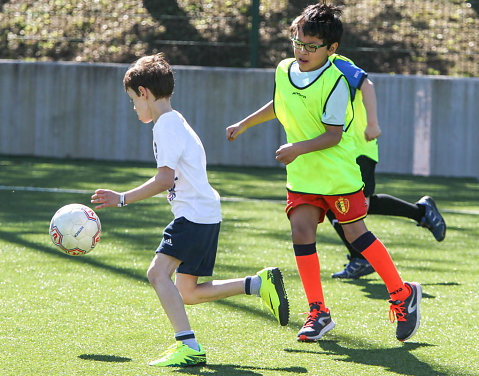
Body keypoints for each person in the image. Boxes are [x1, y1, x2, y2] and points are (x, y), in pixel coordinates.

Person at [226, 2, 421, 343]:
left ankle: (402, 293)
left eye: (311, 46)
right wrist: (244, 123)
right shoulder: (284, 69)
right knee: (301, 232)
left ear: (331, 49)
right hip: (302, 176)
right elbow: (280, 104)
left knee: (356, 236)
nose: (302, 51)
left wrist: (296, 148)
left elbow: (333, 135)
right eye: (298, 42)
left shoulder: (336, 81)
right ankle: (318, 311)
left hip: (336, 175)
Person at [91, 53, 289, 368]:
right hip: (205, 215)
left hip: (193, 217)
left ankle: (188, 346)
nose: (134, 107)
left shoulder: (166, 126)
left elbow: (164, 178)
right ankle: (258, 283)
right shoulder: (175, 120)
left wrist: (123, 198)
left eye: (133, 100)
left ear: (144, 92)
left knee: (157, 274)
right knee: (188, 292)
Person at [326, 53, 447, 279]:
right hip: (336, 152)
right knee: (338, 205)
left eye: (310, 42)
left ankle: (419, 213)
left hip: (358, 148)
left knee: (353, 205)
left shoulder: (337, 63)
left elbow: (366, 83)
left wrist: (373, 124)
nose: (303, 48)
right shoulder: (304, 70)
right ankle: (362, 255)